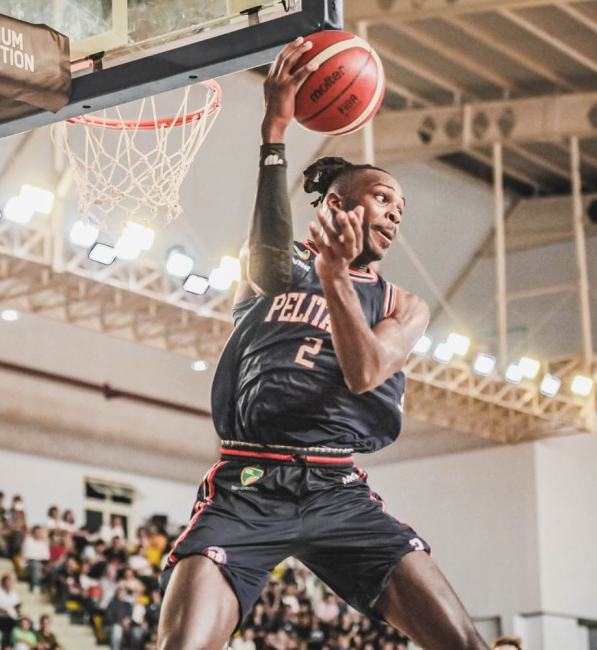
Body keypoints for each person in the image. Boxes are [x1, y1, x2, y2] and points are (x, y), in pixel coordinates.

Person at [156, 37, 488, 650]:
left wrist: (337, 277)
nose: (396, 213)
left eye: (402, 207)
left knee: (465, 645)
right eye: (383, 197)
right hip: (249, 482)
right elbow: (267, 246)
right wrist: (274, 129)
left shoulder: (403, 305)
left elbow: (365, 372)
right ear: (337, 204)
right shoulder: (278, 268)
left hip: (339, 490)